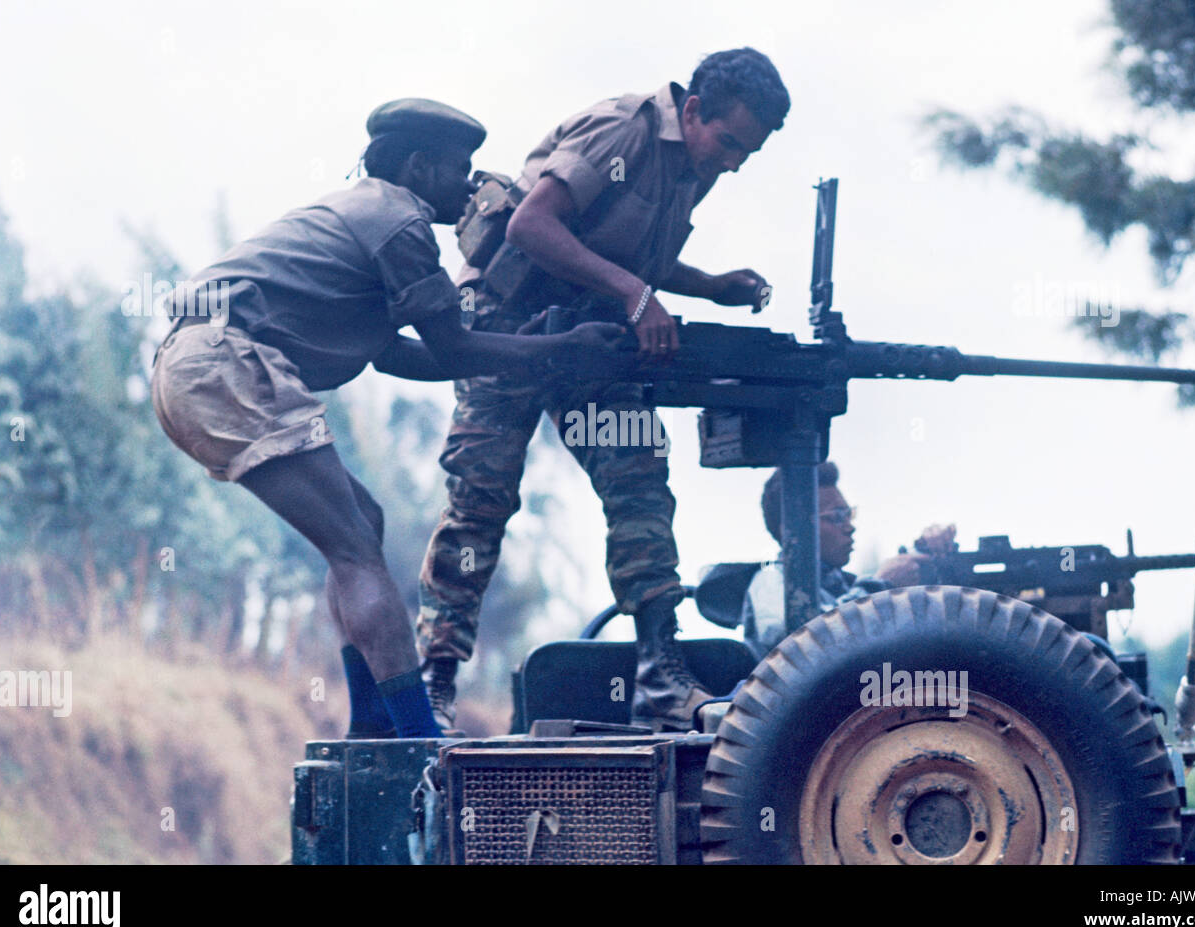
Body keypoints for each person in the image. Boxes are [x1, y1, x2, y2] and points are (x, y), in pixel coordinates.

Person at [151, 99, 621, 739]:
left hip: (193, 367)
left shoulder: (362, 214)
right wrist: (560, 351)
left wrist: (530, 349)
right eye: (460, 169)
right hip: (224, 363)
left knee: (360, 525)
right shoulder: (399, 223)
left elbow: (403, 357)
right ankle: (418, 742)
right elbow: (456, 349)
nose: (469, 183)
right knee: (354, 549)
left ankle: (373, 727)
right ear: (420, 167)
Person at [417, 49, 792, 731]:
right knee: (482, 498)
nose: (733, 163)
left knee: (640, 478)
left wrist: (705, 286)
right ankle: (434, 683)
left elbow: (623, 253)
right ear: (695, 110)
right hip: (508, 325)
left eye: (749, 153)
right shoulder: (623, 130)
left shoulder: (693, 166)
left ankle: (660, 674)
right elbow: (534, 225)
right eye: (730, 142)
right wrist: (635, 294)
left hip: (587, 335)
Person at [741, 462, 957, 659]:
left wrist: (924, 553)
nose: (850, 527)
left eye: (848, 514)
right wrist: (879, 588)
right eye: (836, 516)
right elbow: (798, 644)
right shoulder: (770, 580)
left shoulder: (842, 585)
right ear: (794, 529)